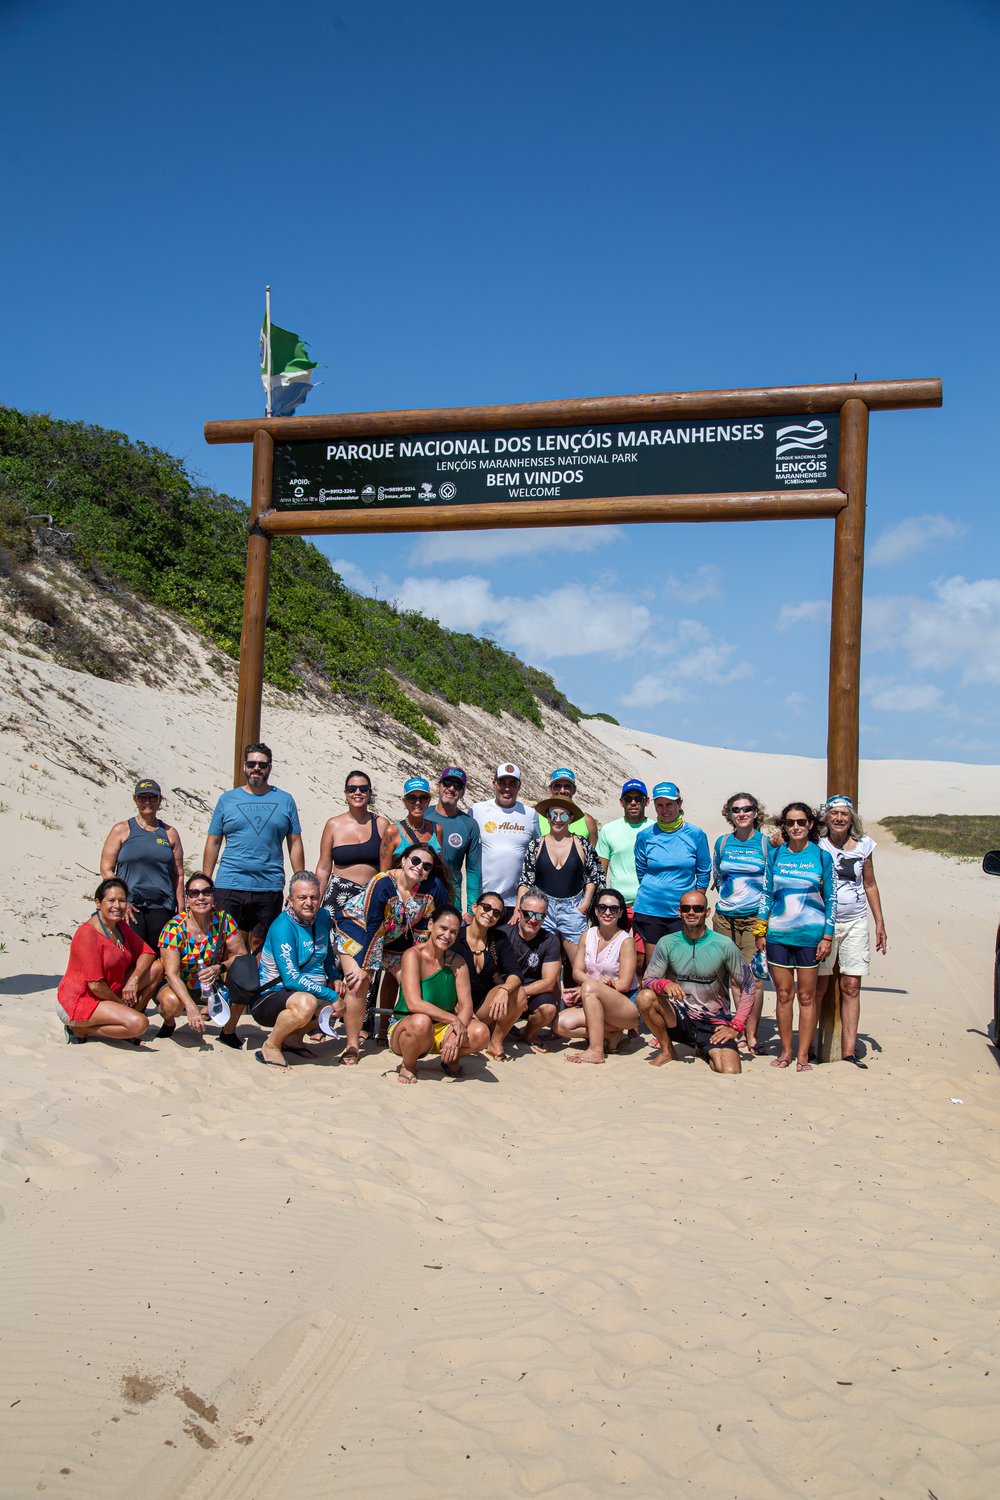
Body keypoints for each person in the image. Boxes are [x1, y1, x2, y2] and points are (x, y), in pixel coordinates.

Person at [334, 847, 437, 1063]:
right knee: (358, 981)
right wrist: (365, 968)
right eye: (415, 860)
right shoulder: (383, 882)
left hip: (392, 939)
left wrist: (416, 963)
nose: (419, 867)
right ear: (404, 860)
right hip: (357, 929)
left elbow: (420, 933)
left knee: (413, 984)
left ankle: (396, 1032)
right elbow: (373, 925)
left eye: (426, 866)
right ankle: (352, 1045)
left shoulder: (427, 893)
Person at [636, 890, 754, 1074]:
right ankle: (668, 1049)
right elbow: (648, 980)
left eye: (697, 908)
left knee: (729, 1069)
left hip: (713, 1021)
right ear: (679, 912)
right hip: (679, 1016)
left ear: (706, 912)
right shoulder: (667, 942)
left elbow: (748, 986)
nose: (691, 912)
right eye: (686, 908)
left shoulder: (724, 945)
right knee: (645, 997)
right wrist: (664, 984)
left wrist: (736, 1027)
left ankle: (703, 1048)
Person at [755, 802, 835, 1072]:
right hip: (778, 934)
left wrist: (827, 936)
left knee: (807, 996)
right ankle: (787, 1051)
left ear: (811, 824)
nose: (796, 827)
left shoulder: (822, 857)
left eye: (801, 822)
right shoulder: (776, 855)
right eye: (790, 823)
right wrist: (761, 929)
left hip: (811, 936)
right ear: (784, 826)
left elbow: (831, 899)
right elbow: (766, 894)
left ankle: (803, 1054)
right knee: (783, 994)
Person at [203, 743, 304, 953]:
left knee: (261, 943)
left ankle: (256, 985)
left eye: (262, 764)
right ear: (244, 766)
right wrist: (206, 881)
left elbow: (294, 842)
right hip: (230, 882)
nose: (256, 768)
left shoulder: (285, 800)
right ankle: (227, 984)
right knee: (226, 943)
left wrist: (300, 880)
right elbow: (213, 841)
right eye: (252, 764)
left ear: (270, 767)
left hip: (269, 884)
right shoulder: (227, 799)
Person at [816, 795, 888, 1067]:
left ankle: (849, 1050)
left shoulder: (864, 846)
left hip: (855, 920)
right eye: (834, 813)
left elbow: (869, 884)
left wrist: (879, 921)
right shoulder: (817, 844)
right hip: (824, 923)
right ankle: (811, 1047)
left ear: (851, 818)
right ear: (826, 817)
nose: (839, 818)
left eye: (844, 814)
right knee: (819, 984)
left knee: (851, 984)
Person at [252, 872, 346, 1068]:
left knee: (346, 994)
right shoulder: (283, 927)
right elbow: (291, 979)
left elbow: (325, 950)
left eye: (314, 897)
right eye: (302, 897)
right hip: (271, 996)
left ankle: (293, 1039)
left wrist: (334, 976)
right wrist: (330, 995)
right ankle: (271, 1045)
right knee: (308, 1003)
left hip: (304, 991)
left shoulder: (322, 916)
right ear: (290, 900)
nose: (309, 903)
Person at [389, 906, 490, 1084]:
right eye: (443, 928)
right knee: (422, 1021)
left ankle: (449, 1056)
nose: (447, 935)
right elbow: (414, 1004)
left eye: (453, 932)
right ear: (430, 925)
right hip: (409, 1026)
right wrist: (453, 1020)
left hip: (443, 1027)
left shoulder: (458, 962)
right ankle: (409, 1063)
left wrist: (455, 1030)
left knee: (481, 1032)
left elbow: (467, 1006)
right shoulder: (413, 955)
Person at [56, 878, 163, 1045]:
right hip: (81, 1000)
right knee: (140, 1024)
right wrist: (121, 1005)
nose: (117, 906)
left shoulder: (119, 926)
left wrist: (133, 980)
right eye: (111, 900)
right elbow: (96, 985)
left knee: (156, 968)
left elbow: (148, 953)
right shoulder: (88, 934)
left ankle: (125, 1020)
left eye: (122, 900)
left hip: (109, 992)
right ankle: (81, 1029)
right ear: (98, 903)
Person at [711, 792, 770, 1054]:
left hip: (754, 920)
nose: (742, 814)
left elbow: (772, 885)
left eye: (747, 809)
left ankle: (752, 1034)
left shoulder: (767, 845)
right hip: (724, 918)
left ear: (756, 813)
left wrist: (763, 922)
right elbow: (718, 876)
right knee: (733, 979)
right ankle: (740, 1030)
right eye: (736, 810)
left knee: (754, 979)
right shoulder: (722, 843)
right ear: (729, 814)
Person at [155, 874, 247, 1042]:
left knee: (244, 979)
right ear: (187, 899)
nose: (201, 897)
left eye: (206, 892)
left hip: (210, 982)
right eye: (194, 893)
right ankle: (169, 1022)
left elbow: (241, 955)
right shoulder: (174, 928)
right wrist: (191, 1008)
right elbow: (172, 974)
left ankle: (228, 1032)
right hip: (180, 983)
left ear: (213, 897)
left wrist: (220, 967)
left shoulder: (224, 921)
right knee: (171, 1005)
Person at [100, 779, 184, 948]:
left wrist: (181, 909)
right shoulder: (121, 830)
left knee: (159, 961)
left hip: (162, 907)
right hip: (132, 907)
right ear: (135, 800)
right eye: (142, 798)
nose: (147, 802)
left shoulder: (169, 833)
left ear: (160, 800)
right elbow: (106, 869)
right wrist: (122, 900)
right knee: (134, 957)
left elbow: (178, 874)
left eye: (152, 798)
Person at [518, 794, 601, 962]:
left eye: (563, 815)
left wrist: (585, 904)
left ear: (570, 818)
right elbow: (526, 880)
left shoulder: (582, 844)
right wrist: (520, 909)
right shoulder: (536, 845)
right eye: (553, 814)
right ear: (547, 817)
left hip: (574, 909)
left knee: (581, 963)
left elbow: (594, 875)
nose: (557, 819)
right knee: (545, 963)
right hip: (543, 911)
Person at [559, 889, 639, 1064]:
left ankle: (596, 1051)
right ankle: (612, 1034)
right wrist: (595, 985)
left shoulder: (626, 941)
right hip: (593, 1000)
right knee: (560, 1024)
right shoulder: (588, 935)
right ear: (595, 911)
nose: (608, 912)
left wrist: (595, 987)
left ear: (620, 913)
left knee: (588, 987)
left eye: (614, 909)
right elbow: (576, 972)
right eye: (602, 907)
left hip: (624, 1007)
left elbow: (624, 984)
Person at [632, 781, 711, 951]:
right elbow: (641, 870)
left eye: (669, 804)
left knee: (679, 962)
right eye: (659, 805)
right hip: (650, 908)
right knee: (653, 965)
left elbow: (704, 870)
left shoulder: (696, 834)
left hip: (682, 912)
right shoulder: (645, 835)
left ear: (679, 804)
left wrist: (696, 900)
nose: (664, 809)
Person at [452, 891, 524, 1061]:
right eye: (486, 907)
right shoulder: (456, 936)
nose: (490, 914)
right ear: (475, 908)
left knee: (519, 993)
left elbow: (515, 973)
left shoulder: (499, 939)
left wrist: (505, 989)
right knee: (474, 1033)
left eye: (496, 912)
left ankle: (496, 1041)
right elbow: (442, 978)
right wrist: (463, 1011)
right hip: (454, 1005)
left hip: (482, 1005)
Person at [493, 889, 562, 1050]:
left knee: (548, 1009)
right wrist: (512, 993)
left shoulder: (550, 941)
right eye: (527, 914)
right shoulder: (502, 934)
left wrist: (523, 992)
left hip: (531, 993)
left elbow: (549, 982)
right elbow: (492, 972)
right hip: (503, 990)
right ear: (518, 912)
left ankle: (528, 1033)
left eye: (539, 916)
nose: (533, 920)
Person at [316, 770, 390, 919]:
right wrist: (315, 899)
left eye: (363, 789)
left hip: (370, 896)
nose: (357, 792)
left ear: (369, 793)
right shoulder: (333, 824)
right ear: (345, 793)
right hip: (337, 896)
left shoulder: (381, 824)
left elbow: (387, 869)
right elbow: (323, 868)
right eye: (352, 789)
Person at [471, 763, 539, 921]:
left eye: (512, 783)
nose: (506, 788)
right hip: (484, 899)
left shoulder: (530, 814)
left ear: (519, 786)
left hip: (516, 903)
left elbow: (538, 854)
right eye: (502, 782)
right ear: (494, 783)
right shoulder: (477, 810)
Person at [596, 779, 653, 965]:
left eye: (638, 798)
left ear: (647, 801)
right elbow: (601, 869)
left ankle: (639, 994)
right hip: (617, 906)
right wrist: (598, 902)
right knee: (610, 954)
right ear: (622, 802)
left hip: (645, 904)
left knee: (641, 958)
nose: (634, 802)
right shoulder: (609, 830)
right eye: (629, 799)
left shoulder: (656, 829)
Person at [430, 766, 482, 915]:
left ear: (463, 792)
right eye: (447, 783)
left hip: (451, 897)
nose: (451, 788)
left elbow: (472, 869)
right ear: (439, 786)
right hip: (419, 894)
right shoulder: (422, 815)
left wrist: (472, 909)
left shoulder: (469, 825)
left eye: (457, 785)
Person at [379, 777, 442, 869]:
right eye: (412, 798)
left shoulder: (436, 829)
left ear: (428, 801)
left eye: (423, 798)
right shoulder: (392, 831)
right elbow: (384, 872)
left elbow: (440, 867)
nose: (418, 803)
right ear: (405, 802)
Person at [537, 768, 599, 843]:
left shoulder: (587, 820)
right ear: (550, 789)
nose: (562, 791)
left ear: (574, 790)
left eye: (567, 786)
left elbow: (594, 852)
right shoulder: (536, 818)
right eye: (557, 786)